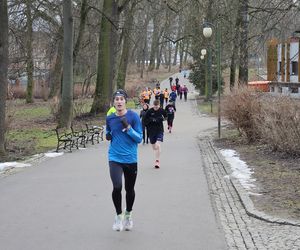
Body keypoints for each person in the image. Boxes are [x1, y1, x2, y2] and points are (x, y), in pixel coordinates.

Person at [106, 89, 143, 231]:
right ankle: (118, 216)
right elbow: (108, 132)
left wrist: (128, 127)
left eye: (122, 99)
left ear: (125, 101)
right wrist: (108, 134)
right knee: (117, 187)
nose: (119, 101)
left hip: (130, 159)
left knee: (129, 189)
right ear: (114, 102)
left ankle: (128, 214)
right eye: (117, 99)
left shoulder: (133, 117)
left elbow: (139, 138)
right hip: (114, 157)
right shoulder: (110, 118)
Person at [144, 100, 167, 169]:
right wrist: (151, 120)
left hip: (159, 130)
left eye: (157, 107)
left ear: (159, 105)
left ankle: (157, 161)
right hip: (151, 131)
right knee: (154, 147)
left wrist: (161, 119)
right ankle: (157, 151)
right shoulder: (149, 111)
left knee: (158, 144)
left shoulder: (162, 110)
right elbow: (145, 120)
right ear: (153, 105)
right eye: (155, 107)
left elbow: (166, 117)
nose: (156, 108)